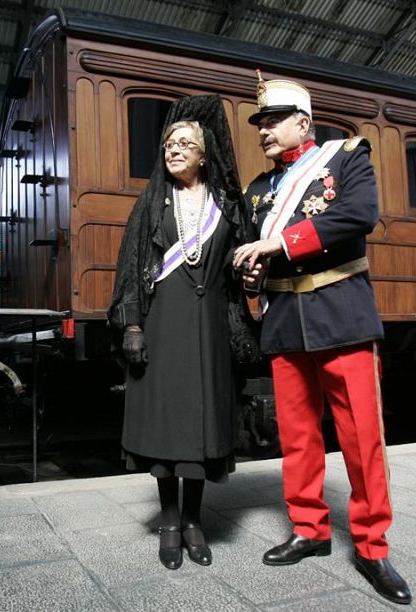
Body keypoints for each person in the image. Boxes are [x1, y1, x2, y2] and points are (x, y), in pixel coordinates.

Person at [233, 73, 412, 605]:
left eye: (272, 121)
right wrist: (251, 275)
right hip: (285, 321)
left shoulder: (347, 157)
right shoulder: (257, 191)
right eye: (259, 123)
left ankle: (372, 546)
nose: (263, 131)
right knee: (297, 438)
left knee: (361, 438)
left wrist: (276, 245)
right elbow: (254, 256)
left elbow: (358, 216)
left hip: (342, 315)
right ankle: (309, 529)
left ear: (303, 123)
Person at [108, 95, 251, 570]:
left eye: (185, 144)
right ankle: (170, 523)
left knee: (201, 428)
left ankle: (194, 522)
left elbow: (240, 266)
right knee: (166, 426)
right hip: (162, 326)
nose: (174, 150)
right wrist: (132, 325)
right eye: (169, 144)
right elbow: (131, 268)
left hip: (209, 331)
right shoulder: (151, 202)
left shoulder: (226, 205)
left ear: (205, 154)